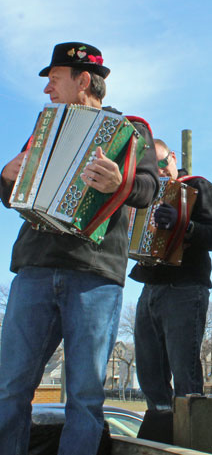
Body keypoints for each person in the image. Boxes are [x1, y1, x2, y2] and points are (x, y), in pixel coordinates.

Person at [0, 42, 159, 455]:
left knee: (85, 398)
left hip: (95, 275)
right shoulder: (43, 126)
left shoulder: (131, 131)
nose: (47, 90)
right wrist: (5, 175)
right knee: (8, 388)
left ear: (82, 79)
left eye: (54, 79)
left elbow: (149, 188)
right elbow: (16, 191)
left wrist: (119, 184)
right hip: (35, 266)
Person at [130, 139, 212, 412]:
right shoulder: (146, 192)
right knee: (149, 372)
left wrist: (184, 224)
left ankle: (191, 441)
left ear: (171, 157)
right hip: (150, 287)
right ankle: (161, 425)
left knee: (185, 372)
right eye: (150, 166)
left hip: (185, 287)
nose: (157, 171)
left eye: (160, 163)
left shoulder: (198, 186)